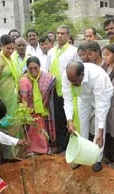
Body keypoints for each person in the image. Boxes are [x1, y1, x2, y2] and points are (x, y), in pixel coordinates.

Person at [62, 61, 114, 172]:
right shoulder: (67, 77)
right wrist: (69, 121)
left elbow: (101, 106)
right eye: (70, 81)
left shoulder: (97, 77)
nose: (73, 84)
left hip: (102, 95)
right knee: (80, 123)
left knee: (99, 126)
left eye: (75, 81)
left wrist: (100, 130)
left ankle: (97, 159)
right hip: (83, 96)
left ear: (82, 74)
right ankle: (82, 156)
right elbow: (68, 100)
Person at [48, 25, 79, 153]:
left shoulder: (73, 51)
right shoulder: (51, 52)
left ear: (68, 36)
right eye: (58, 33)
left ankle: (74, 145)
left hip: (69, 90)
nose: (60, 35)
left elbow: (77, 69)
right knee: (58, 118)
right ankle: (62, 145)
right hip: (55, 90)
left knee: (70, 117)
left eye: (63, 33)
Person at [19, 57, 56, 154]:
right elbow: (24, 99)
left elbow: (47, 95)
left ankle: (44, 149)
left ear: (40, 67)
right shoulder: (24, 80)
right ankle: (32, 149)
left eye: (35, 67)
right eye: (30, 68)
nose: (33, 70)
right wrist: (26, 115)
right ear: (27, 68)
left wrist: (41, 108)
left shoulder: (46, 77)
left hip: (43, 109)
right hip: (30, 111)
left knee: (42, 131)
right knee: (34, 130)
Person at [0, 34, 22, 160]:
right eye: (8, 48)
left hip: (13, 96)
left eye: (12, 48)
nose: (11, 51)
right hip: (4, 96)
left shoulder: (12, 59)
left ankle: (16, 152)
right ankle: (7, 155)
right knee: (5, 123)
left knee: (15, 122)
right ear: (2, 46)